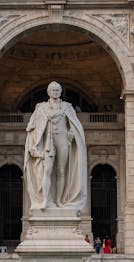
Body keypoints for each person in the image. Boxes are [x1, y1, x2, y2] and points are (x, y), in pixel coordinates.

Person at [24, 81, 87, 211]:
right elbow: (32, 126)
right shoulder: (41, 107)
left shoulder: (67, 107)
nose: (55, 92)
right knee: (47, 170)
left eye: (58, 90)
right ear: (48, 92)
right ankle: (45, 200)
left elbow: (75, 124)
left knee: (61, 171)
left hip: (63, 140)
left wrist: (71, 133)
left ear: (60, 92)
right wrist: (34, 144)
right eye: (53, 90)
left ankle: (59, 201)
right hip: (48, 141)